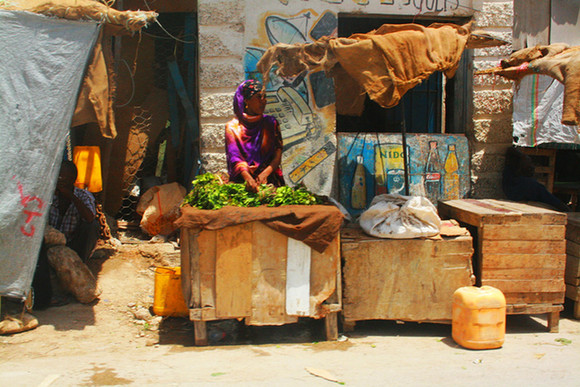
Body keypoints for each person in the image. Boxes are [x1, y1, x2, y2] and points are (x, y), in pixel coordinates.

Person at [32, 160, 100, 309]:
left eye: (65, 179)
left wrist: (71, 197)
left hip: (73, 244)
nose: (60, 182)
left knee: (92, 226)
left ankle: (79, 263)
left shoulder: (83, 195)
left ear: (73, 180)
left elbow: (89, 217)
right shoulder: (47, 196)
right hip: (52, 246)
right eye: (58, 178)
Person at [225, 79, 285, 192]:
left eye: (264, 96)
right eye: (258, 97)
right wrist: (248, 178)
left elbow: (277, 154)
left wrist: (265, 174)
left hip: (270, 184)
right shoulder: (233, 127)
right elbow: (235, 158)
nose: (263, 101)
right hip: (242, 184)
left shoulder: (271, 123)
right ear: (246, 100)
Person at [502, 147, 570, 212]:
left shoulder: (508, 178)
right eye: (529, 165)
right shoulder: (531, 185)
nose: (533, 167)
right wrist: (568, 210)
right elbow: (554, 202)